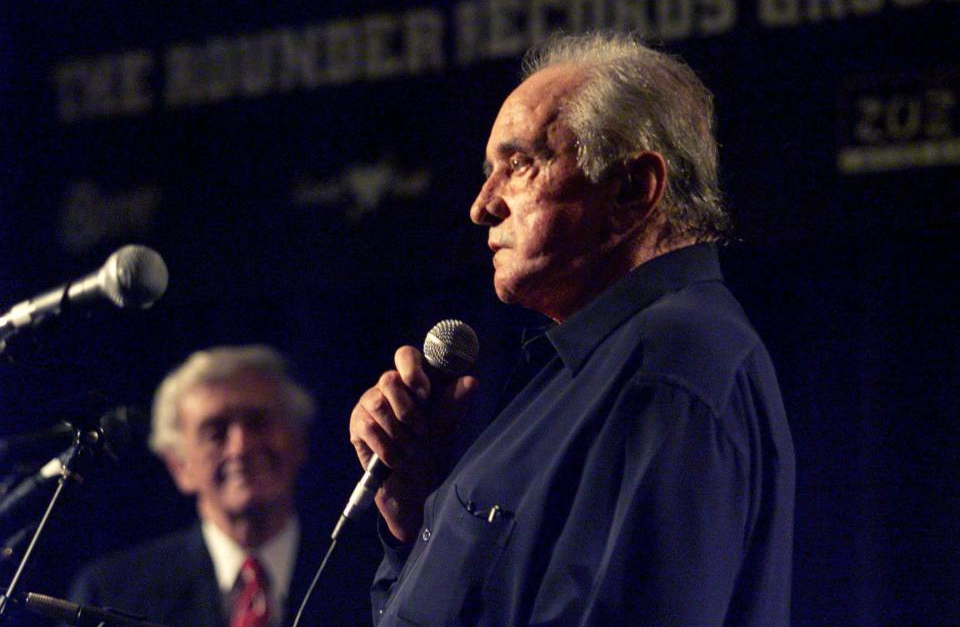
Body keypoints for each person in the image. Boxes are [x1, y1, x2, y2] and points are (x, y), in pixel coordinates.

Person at [349, 31, 795, 626]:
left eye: (520, 164)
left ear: (633, 189)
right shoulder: (589, 367)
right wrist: (411, 509)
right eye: (490, 171)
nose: (482, 204)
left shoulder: (670, 368)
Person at [70, 345, 323, 627]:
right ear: (179, 466)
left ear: (299, 441)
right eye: (215, 432)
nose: (241, 446)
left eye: (259, 423)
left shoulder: (367, 573)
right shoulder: (111, 595)